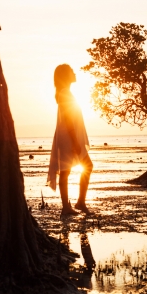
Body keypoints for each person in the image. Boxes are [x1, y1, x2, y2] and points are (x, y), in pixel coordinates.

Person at [47, 64, 93, 216]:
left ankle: (79, 202)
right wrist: (74, 140)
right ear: (66, 75)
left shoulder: (65, 92)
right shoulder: (64, 93)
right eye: (72, 71)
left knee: (79, 168)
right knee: (67, 171)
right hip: (68, 136)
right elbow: (67, 119)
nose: (75, 72)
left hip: (69, 135)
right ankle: (68, 206)